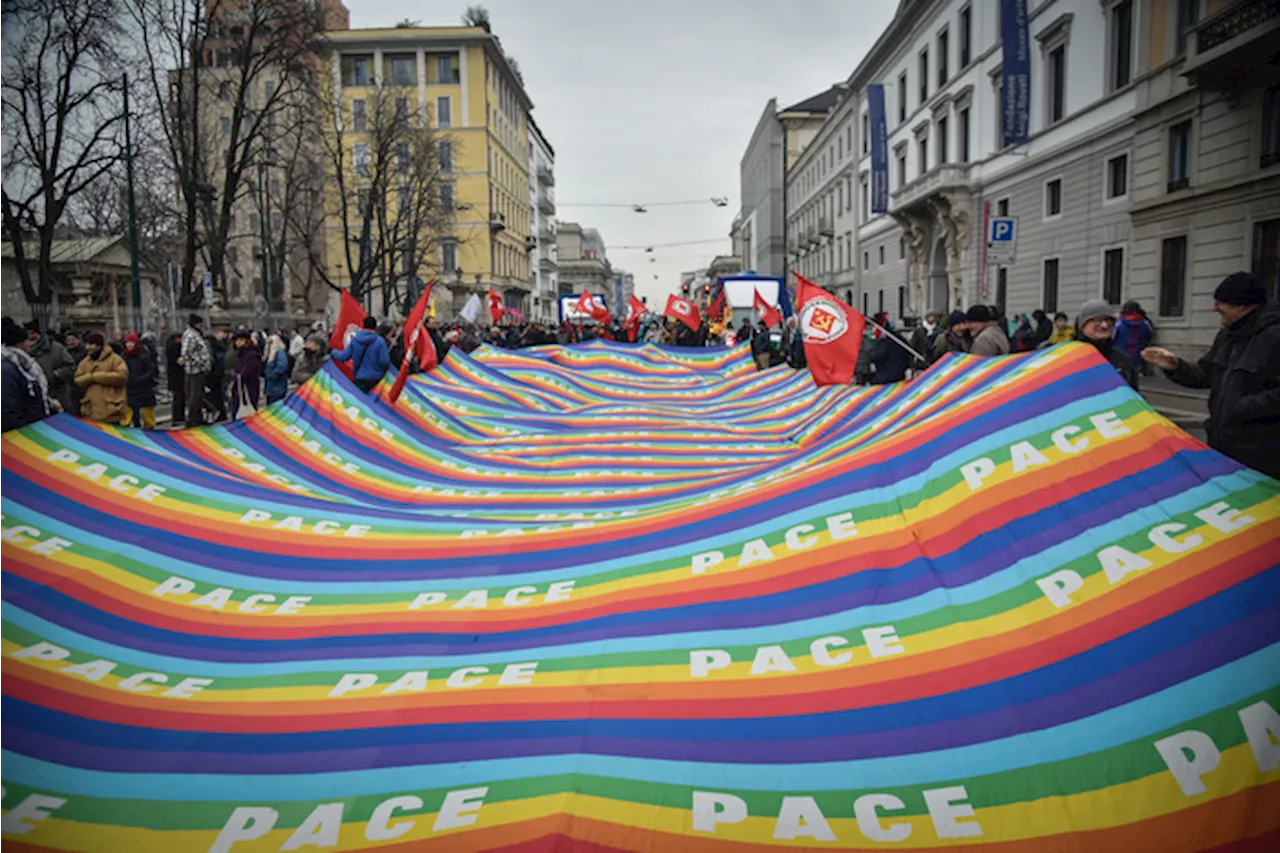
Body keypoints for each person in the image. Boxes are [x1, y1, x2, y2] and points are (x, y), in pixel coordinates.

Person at [1143, 271, 1280, 478]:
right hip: (1222, 446)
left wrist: (1240, 407)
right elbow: (1203, 375)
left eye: (1221, 303)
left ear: (1243, 306)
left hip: (1261, 454)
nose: (1214, 308)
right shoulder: (1227, 335)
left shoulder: (1274, 337)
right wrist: (1174, 366)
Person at [0, 316, 52, 431]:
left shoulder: (22, 365)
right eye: (28, 341)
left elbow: (29, 395)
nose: (30, 344)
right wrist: (25, 433)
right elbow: (7, 409)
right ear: (20, 344)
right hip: (21, 434)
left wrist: (49, 402)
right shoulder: (7, 369)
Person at [1076, 299, 1138, 389]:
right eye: (1098, 320)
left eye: (1109, 320)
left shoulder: (1123, 360)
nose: (1105, 325)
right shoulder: (1069, 358)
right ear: (1083, 325)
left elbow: (1133, 396)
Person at [74, 331, 129, 424]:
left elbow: (122, 376)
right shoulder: (85, 362)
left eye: (91, 345)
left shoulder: (115, 359)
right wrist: (89, 378)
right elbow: (77, 380)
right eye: (87, 344)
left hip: (111, 411)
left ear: (99, 346)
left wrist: (96, 377)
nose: (87, 348)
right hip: (91, 411)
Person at [25, 321, 76, 413]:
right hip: (36, 399)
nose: (30, 337)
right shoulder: (23, 354)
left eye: (32, 334)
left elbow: (71, 366)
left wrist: (57, 374)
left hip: (58, 395)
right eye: (28, 334)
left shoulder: (57, 348)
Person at [331, 316, 390, 394]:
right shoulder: (380, 341)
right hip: (376, 379)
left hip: (360, 377)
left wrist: (333, 351)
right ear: (375, 327)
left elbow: (343, 357)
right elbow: (384, 361)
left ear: (363, 326)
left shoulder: (355, 340)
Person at [121, 332, 158, 427]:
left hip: (144, 387)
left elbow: (151, 370)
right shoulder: (123, 357)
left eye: (131, 342)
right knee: (129, 413)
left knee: (147, 412)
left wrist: (141, 379)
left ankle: (149, 430)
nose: (129, 345)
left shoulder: (143, 355)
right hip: (130, 388)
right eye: (127, 342)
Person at [179, 314, 211, 425]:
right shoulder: (190, 335)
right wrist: (199, 362)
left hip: (199, 369)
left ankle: (198, 417)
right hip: (195, 370)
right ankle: (192, 418)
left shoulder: (195, 334)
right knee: (195, 395)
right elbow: (186, 352)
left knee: (199, 394)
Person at [1114, 300, 1154, 370]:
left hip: (1121, 353)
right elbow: (1149, 335)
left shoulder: (1119, 323)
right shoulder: (1145, 323)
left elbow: (1112, 337)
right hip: (1138, 354)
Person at [231, 330, 263, 415]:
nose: (237, 342)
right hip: (242, 390)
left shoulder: (250, 355)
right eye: (236, 340)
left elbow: (245, 374)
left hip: (247, 391)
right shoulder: (242, 354)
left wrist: (234, 375)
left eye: (241, 340)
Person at [206, 328, 230, 423]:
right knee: (218, 395)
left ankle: (220, 412)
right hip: (219, 375)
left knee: (215, 395)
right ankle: (221, 412)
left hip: (215, 375)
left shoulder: (214, 350)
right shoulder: (221, 348)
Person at [164, 331, 185, 425]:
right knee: (179, 397)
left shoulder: (169, 347)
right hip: (178, 377)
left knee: (178, 397)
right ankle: (178, 417)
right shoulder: (175, 348)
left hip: (174, 377)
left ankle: (178, 417)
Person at [263, 333, 289, 404]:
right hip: (271, 388)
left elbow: (282, 365)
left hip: (277, 387)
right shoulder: (270, 354)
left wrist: (272, 375)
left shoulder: (279, 352)